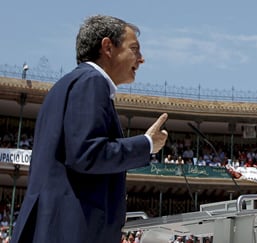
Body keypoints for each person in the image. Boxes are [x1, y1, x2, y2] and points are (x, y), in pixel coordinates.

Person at [11, 15, 168, 243]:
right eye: (134, 49)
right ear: (108, 47)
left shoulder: (66, 85)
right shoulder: (92, 82)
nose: (141, 59)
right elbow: (87, 153)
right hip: (72, 230)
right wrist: (147, 144)